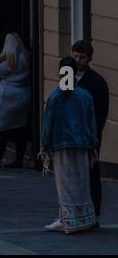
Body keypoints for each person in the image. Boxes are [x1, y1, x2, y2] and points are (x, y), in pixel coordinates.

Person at [41, 57, 99, 233]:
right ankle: (85, 219)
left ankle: (67, 220)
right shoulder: (85, 96)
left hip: (62, 145)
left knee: (65, 185)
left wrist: (44, 145)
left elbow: (48, 123)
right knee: (81, 184)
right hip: (81, 144)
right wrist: (93, 144)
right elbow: (91, 123)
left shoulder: (55, 97)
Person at [72, 39, 110, 219]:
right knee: (72, 175)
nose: (78, 60)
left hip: (88, 134)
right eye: (76, 57)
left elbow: (101, 113)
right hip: (71, 133)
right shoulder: (68, 77)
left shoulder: (96, 81)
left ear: (89, 58)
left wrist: (94, 137)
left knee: (91, 175)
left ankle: (93, 214)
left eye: (82, 57)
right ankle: (74, 212)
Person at [0, 32, 32, 169]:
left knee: (0, 128)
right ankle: (19, 159)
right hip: (24, 94)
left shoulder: (9, 61)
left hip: (7, 96)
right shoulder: (26, 57)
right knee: (21, 127)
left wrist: (1, 56)